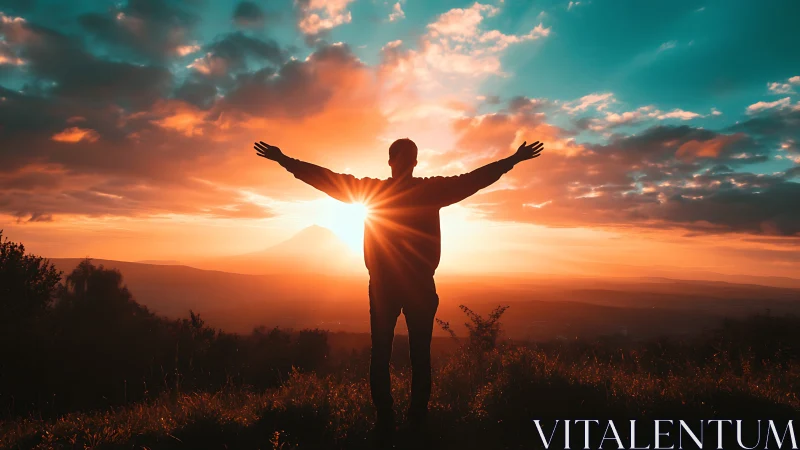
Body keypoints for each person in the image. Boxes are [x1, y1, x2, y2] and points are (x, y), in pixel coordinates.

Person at [254, 138, 544, 441]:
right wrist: (513, 159)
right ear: (412, 162)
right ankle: (413, 420)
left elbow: (327, 180)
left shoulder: (374, 192)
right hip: (414, 285)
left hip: (385, 286)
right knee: (417, 355)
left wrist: (284, 160)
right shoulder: (429, 191)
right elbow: (473, 180)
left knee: (383, 354)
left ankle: (387, 419)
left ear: (390, 161)